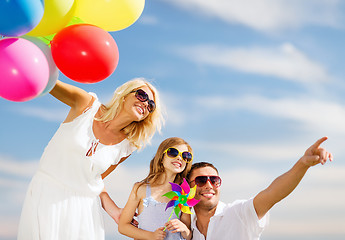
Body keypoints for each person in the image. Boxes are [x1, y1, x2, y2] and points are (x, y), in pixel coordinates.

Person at [17, 78, 164, 240]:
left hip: (84, 210)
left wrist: (115, 211)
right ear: (125, 95)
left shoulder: (126, 147)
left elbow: (95, 180)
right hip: (46, 194)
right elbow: (46, 82)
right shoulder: (86, 104)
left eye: (151, 105)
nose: (145, 104)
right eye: (142, 95)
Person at [186, 137, 333, 240]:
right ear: (187, 188)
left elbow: (273, 193)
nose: (209, 185)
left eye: (214, 180)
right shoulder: (186, 230)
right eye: (201, 180)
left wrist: (303, 164)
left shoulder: (239, 213)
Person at [118, 137, 194, 240]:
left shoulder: (184, 194)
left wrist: (184, 229)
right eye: (173, 152)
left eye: (186, 156)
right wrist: (151, 236)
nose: (179, 158)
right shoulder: (140, 189)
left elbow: (188, 236)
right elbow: (123, 226)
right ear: (161, 158)